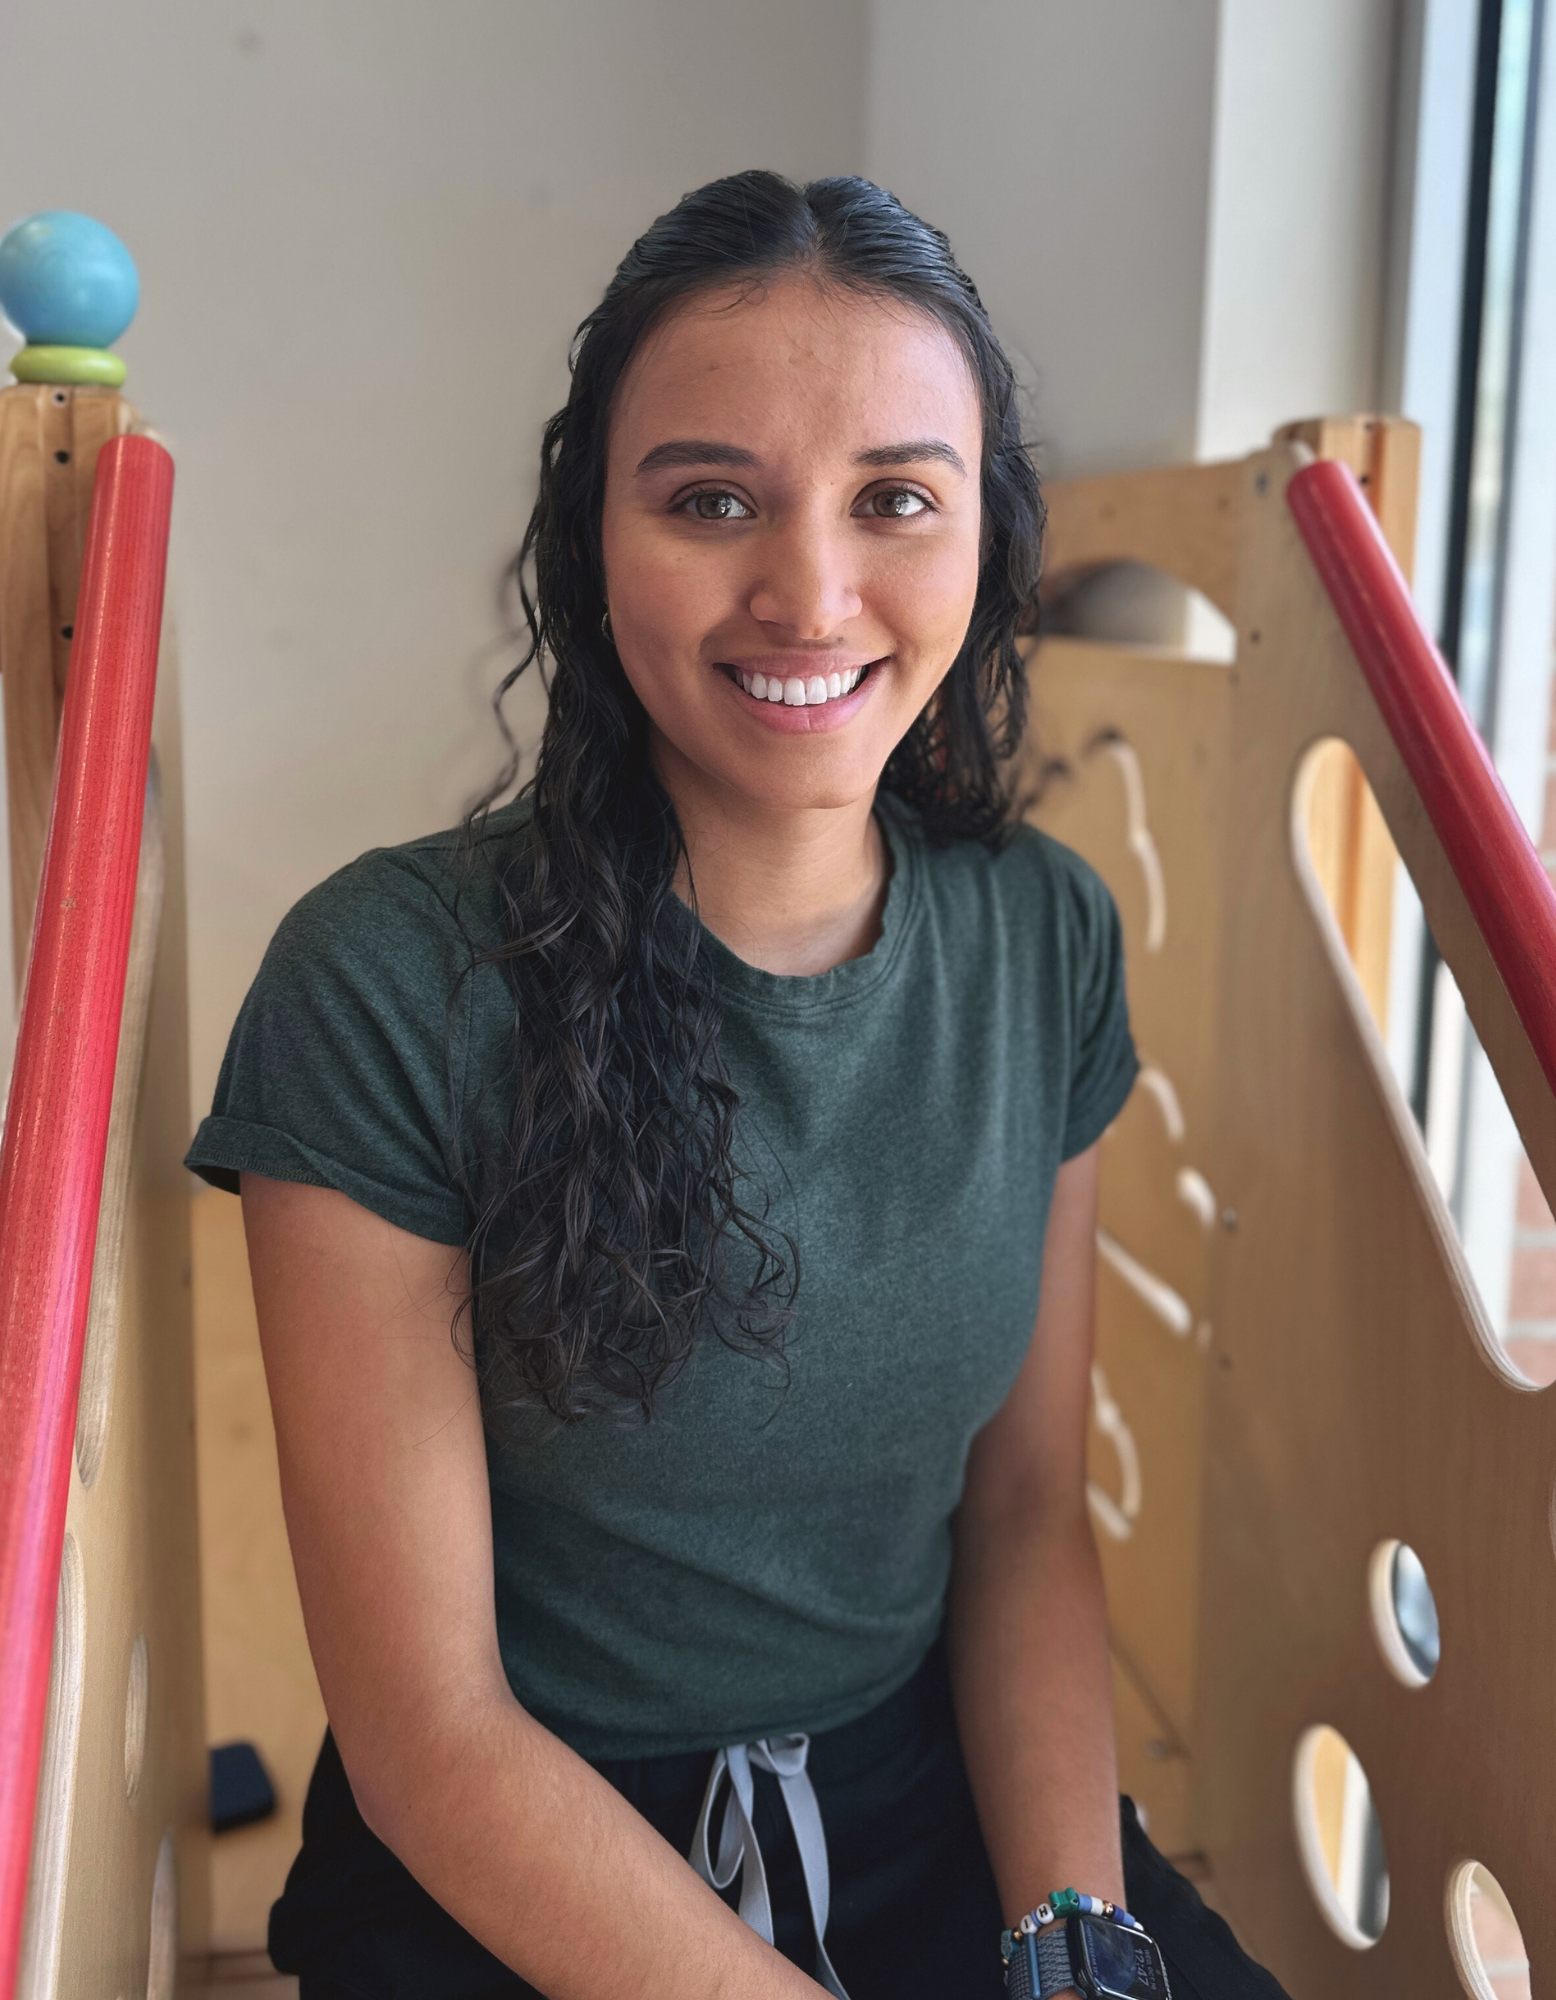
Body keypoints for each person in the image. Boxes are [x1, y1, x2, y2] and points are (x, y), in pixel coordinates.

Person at [188, 171, 1288, 2000]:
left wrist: (1075, 1941)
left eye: (897, 501)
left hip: (934, 1806)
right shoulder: (380, 981)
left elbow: (1021, 1512)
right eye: (713, 500)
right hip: (517, 1854)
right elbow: (434, 1735)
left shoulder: (1047, 939)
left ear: (984, 542)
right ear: (590, 540)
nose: (810, 592)